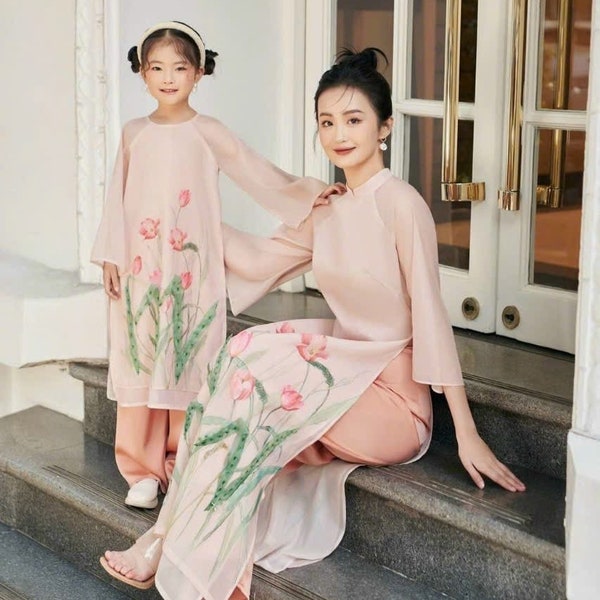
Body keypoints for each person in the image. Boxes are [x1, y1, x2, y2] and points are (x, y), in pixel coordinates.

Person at [100, 48, 525, 599]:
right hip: (339, 382)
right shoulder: (327, 208)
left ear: (385, 128)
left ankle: (176, 549)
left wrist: (466, 434)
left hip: (393, 403)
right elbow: (255, 261)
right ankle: (167, 539)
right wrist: (169, 220)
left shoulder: (402, 204)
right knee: (241, 361)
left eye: (354, 120)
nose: (339, 134)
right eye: (327, 122)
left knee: (252, 384)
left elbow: (433, 320)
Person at [91, 21, 331, 509]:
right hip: (140, 270)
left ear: (199, 73)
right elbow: (114, 199)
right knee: (139, 358)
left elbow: (255, 171)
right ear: (142, 73)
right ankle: (141, 470)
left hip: (187, 271)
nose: (168, 77)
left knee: (186, 360)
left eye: (180, 67)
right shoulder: (133, 133)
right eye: (156, 67)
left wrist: (309, 195)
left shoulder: (208, 132)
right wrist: (111, 256)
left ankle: (181, 463)